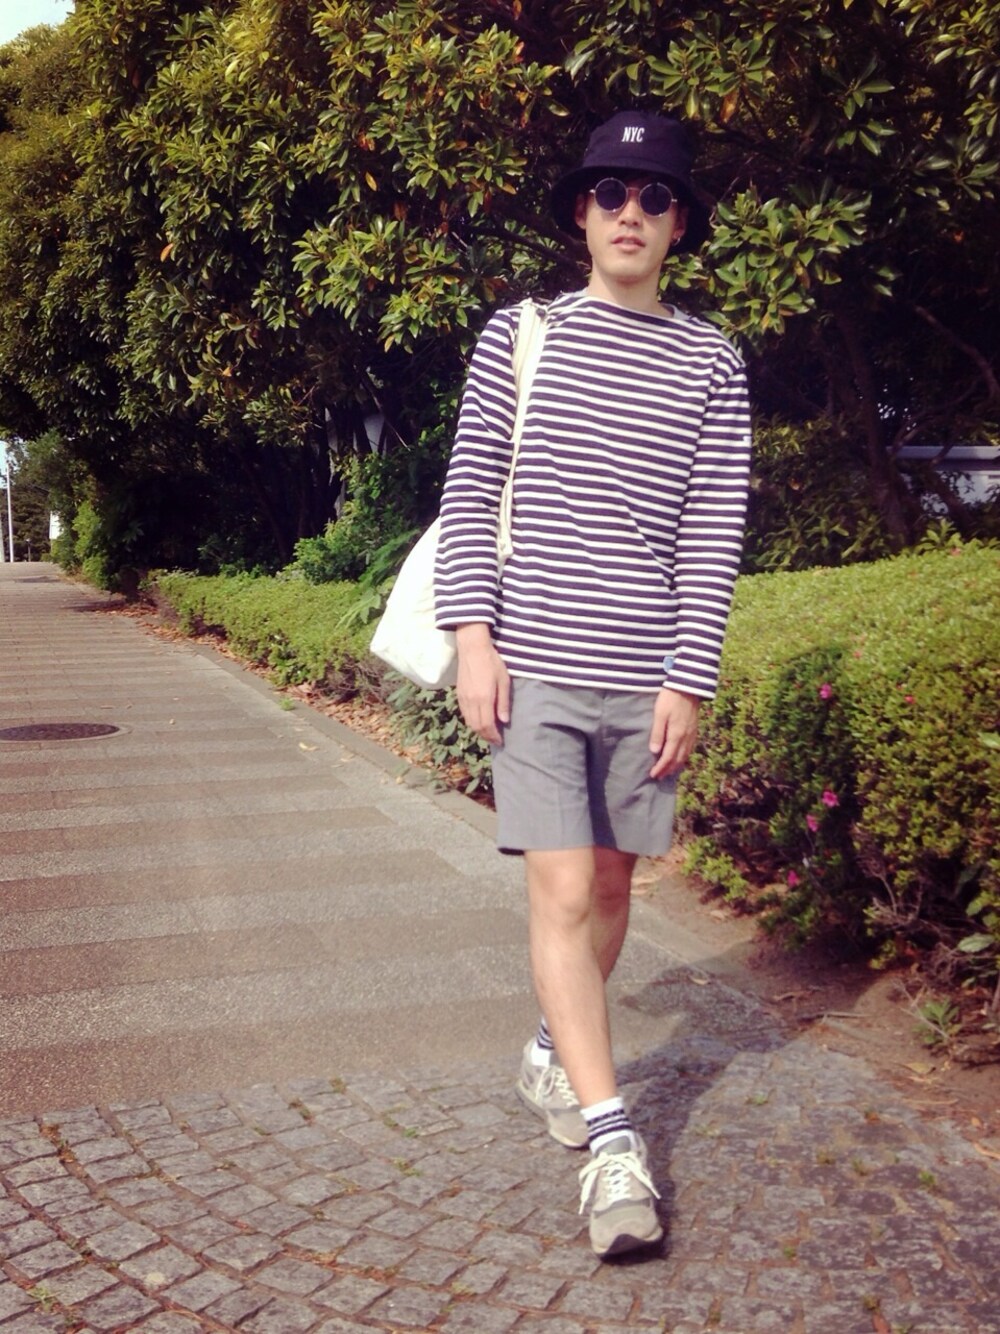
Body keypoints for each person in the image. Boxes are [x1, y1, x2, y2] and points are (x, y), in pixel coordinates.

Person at [434, 110, 752, 1259]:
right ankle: (614, 1143)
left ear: (679, 225)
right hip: (536, 668)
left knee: (613, 889)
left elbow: (712, 530)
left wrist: (688, 677)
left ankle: (548, 1049)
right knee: (565, 892)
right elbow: (471, 488)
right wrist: (474, 637)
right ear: (580, 212)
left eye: (654, 196)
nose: (630, 210)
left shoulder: (712, 361)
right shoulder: (520, 335)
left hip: (643, 674)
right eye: (610, 190)